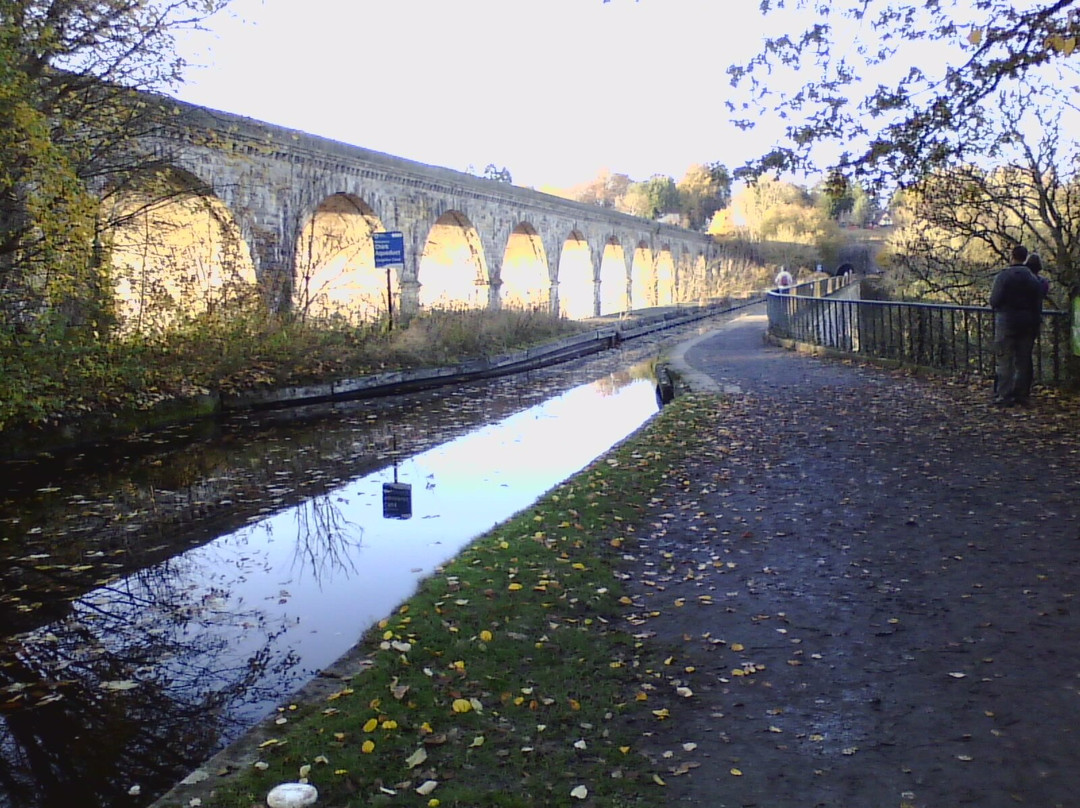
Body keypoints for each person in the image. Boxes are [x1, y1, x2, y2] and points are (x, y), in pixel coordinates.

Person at [990, 245, 1045, 407]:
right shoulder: (1034, 279)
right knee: (1024, 360)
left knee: (1005, 359)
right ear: (1025, 257)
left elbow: (994, 300)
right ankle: (1022, 395)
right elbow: (1037, 303)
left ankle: (1004, 395)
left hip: (1006, 321)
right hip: (1028, 323)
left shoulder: (1003, 276)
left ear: (1012, 256)